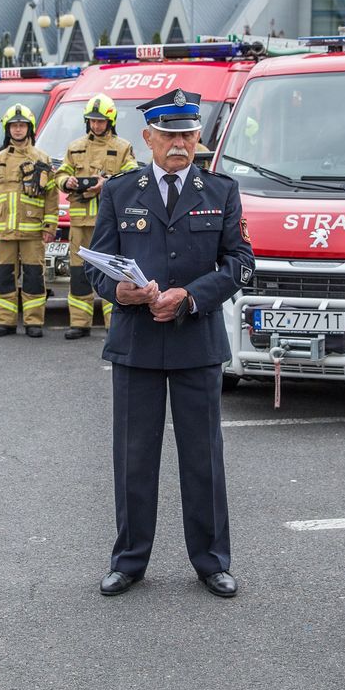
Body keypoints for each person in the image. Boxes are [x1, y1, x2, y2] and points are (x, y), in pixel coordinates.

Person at [86, 87, 255, 598]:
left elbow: (239, 264)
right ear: (148, 138)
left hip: (195, 342)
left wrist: (189, 296)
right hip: (136, 342)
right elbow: (95, 269)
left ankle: (211, 561)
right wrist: (120, 291)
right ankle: (130, 560)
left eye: (187, 133)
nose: (179, 143)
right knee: (134, 457)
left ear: (199, 136)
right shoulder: (119, 192)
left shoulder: (221, 191)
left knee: (202, 457)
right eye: (169, 134)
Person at [55, 94, 139, 339]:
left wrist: (108, 183)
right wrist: (67, 181)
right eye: (92, 121)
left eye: (101, 121)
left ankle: (115, 324)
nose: (96, 125)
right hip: (80, 222)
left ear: (110, 121)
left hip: (109, 223)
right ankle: (79, 323)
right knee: (79, 273)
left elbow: (132, 177)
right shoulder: (76, 146)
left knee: (111, 272)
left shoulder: (122, 148)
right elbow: (59, 175)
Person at [0, 103, 55, 334]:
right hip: (4, 231)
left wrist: (50, 225)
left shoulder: (42, 158)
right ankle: (6, 321)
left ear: (29, 128)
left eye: (22, 126)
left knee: (33, 278)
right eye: (14, 126)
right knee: (4, 278)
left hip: (32, 231)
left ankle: (33, 322)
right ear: (7, 129)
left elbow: (51, 196)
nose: (18, 130)